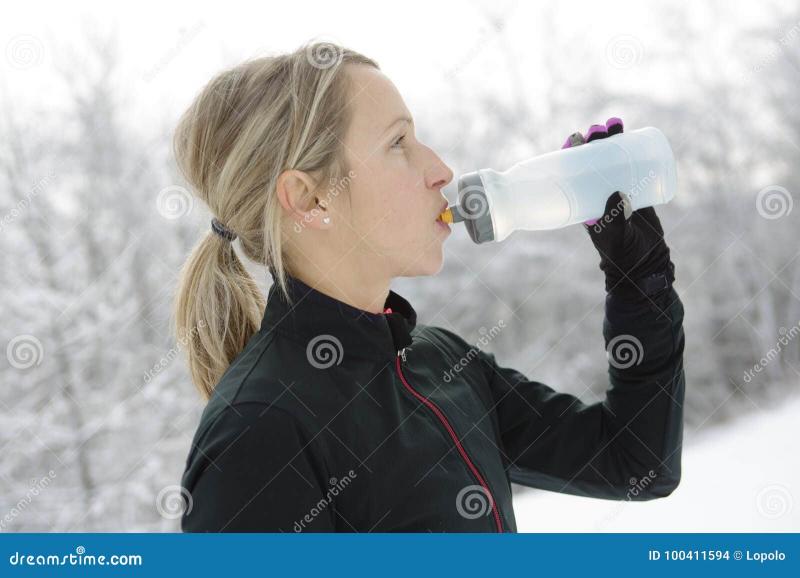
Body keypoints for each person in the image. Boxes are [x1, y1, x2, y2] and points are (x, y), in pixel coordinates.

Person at [173, 41, 685, 532]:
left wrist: (640, 281)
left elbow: (636, 463)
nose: (441, 170)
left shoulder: (441, 364)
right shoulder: (259, 433)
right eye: (398, 143)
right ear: (311, 199)